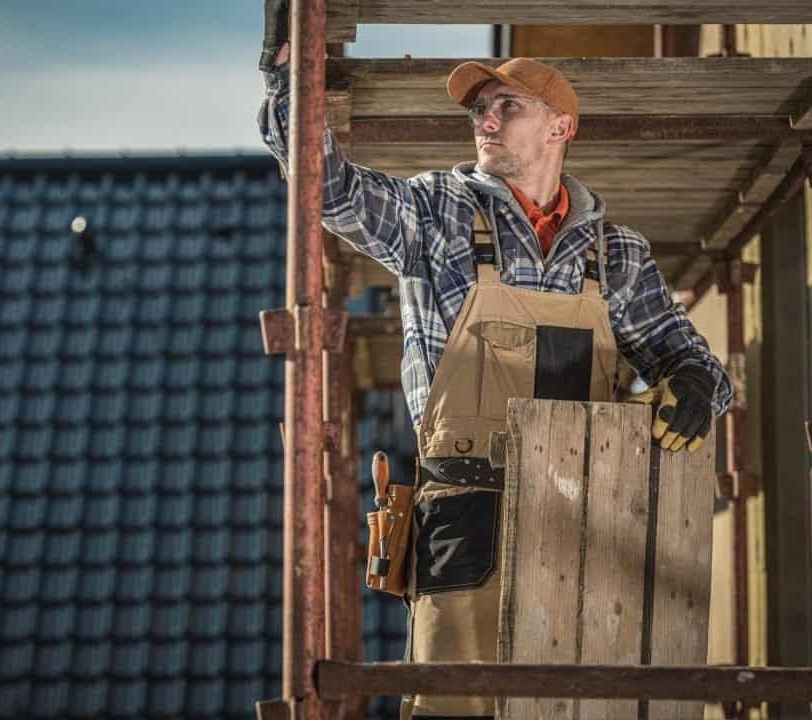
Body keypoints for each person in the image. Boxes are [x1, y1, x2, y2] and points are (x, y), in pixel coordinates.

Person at [258, 32, 733, 720]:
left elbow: (693, 363)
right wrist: (285, 81)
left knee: (584, 705)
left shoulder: (616, 253)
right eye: (478, 109)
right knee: (458, 706)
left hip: (590, 519)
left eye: (505, 105)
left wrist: (695, 388)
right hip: (464, 515)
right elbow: (328, 188)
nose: (484, 120)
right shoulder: (435, 213)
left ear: (561, 126)